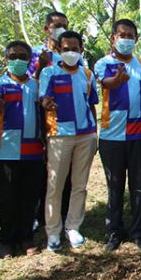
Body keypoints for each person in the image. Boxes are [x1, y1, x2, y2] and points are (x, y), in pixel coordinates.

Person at [95, 19, 141, 251]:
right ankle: (114, 231)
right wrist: (117, 80)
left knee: (139, 185)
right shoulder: (103, 63)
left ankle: (139, 230)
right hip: (112, 135)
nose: (126, 40)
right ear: (113, 38)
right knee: (115, 185)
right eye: (122, 35)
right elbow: (106, 83)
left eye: (130, 36)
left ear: (136, 39)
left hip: (139, 133)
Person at [39, 31, 98, 251]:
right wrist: (47, 104)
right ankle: (53, 232)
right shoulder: (49, 72)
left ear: (81, 50)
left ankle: (73, 227)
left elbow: (92, 103)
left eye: (75, 48)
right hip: (59, 134)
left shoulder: (87, 74)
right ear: (59, 50)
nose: (71, 52)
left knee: (80, 185)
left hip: (86, 135)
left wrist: (95, 134)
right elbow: (43, 99)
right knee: (55, 186)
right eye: (66, 49)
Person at [0, 41, 45, 258]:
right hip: (6, 150)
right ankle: (6, 240)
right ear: (6, 60)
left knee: (29, 196)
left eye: (23, 56)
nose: (18, 60)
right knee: (8, 197)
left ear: (30, 60)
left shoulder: (36, 85)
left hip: (33, 151)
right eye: (13, 56)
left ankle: (26, 237)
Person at [29, 11, 72, 232]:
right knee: (43, 170)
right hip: (40, 119)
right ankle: (39, 215)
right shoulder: (36, 54)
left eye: (65, 25)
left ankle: (63, 214)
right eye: (57, 25)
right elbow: (28, 87)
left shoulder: (70, 53)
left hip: (67, 122)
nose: (61, 29)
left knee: (64, 169)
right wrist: (39, 67)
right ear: (47, 28)